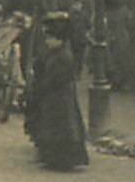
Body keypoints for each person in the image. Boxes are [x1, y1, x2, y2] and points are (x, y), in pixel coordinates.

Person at [26, 12, 89, 171]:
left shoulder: (63, 56)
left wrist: (40, 88)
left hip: (60, 98)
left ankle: (61, 161)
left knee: (60, 129)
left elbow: (54, 78)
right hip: (56, 97)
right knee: (56, 128)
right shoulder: (55, 53)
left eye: (50, 38)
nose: (47, 42)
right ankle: (54, 160)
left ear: (59, 39)